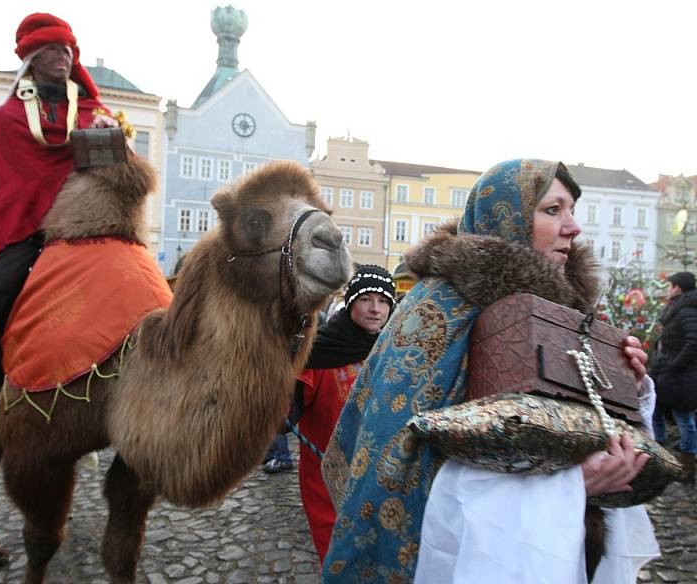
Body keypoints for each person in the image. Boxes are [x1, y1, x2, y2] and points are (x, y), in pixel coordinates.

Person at [320, 160, 658, 583]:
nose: (573, 227)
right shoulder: (440, 310)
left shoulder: (566, 310)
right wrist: (567, 488)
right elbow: (411, 462)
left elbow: (577, 421)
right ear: (506, 218)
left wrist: (628, 383)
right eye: (553, 210)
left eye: (572, 210)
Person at [0, 13, 115, 417]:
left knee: (126, 279)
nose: (63, 57)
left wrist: (109, 135)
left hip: (79, 223)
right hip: (23, 229)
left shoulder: (93, 110)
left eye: (68, 50)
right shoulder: (8, 118)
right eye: (53, 49)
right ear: (33, 58)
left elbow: (110, 168)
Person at [295, 264, 396, 564]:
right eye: (366, 299)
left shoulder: (394, 349)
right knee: (337, 556)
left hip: (380, 476)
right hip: (329, 477)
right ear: (351, 302)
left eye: (384, 301)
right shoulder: (318, 352)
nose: (376, 309)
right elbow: (288, 410)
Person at [651, 271, 697, 484]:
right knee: (656, 411)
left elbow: (693, 342)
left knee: (684, 418)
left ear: (677, 288)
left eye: (670, 286)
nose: (668, 290)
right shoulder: (676, 309)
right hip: (666, 372)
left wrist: (674, 365)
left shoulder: (687, 310)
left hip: (680, 376)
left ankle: (688, 464)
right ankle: (659, 455)